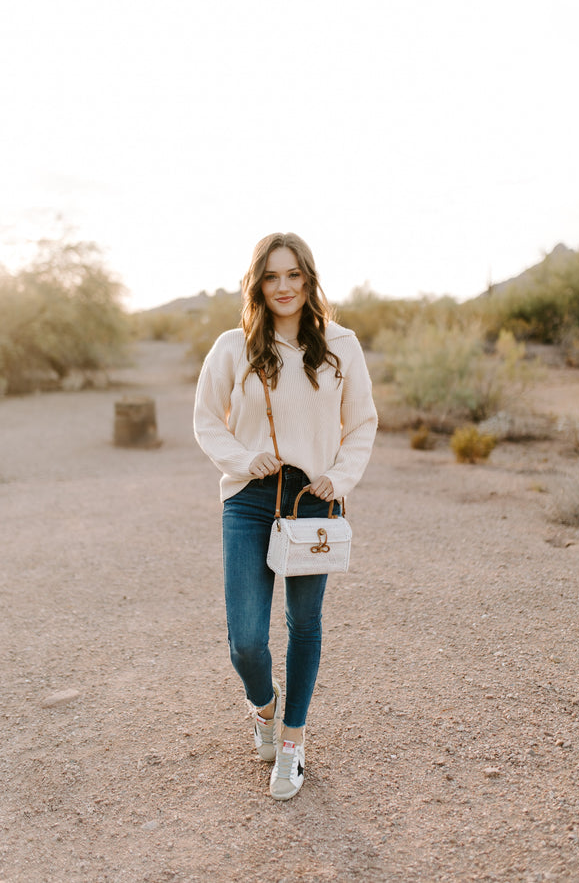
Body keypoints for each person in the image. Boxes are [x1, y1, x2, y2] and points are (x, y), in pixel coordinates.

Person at [193, 232, 377, 800]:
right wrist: (245, 459)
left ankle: (292, 746)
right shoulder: (233, 346)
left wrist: (338, 478)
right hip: (249, 498)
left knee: (304, 624)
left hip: (310, 501)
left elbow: (363, 422)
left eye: (293, 275)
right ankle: (264, 706)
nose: (283, 287)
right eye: (271, 276)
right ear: (257, 284)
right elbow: (206, 420)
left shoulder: (342, 345)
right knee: (245, 641)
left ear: (309, 278)